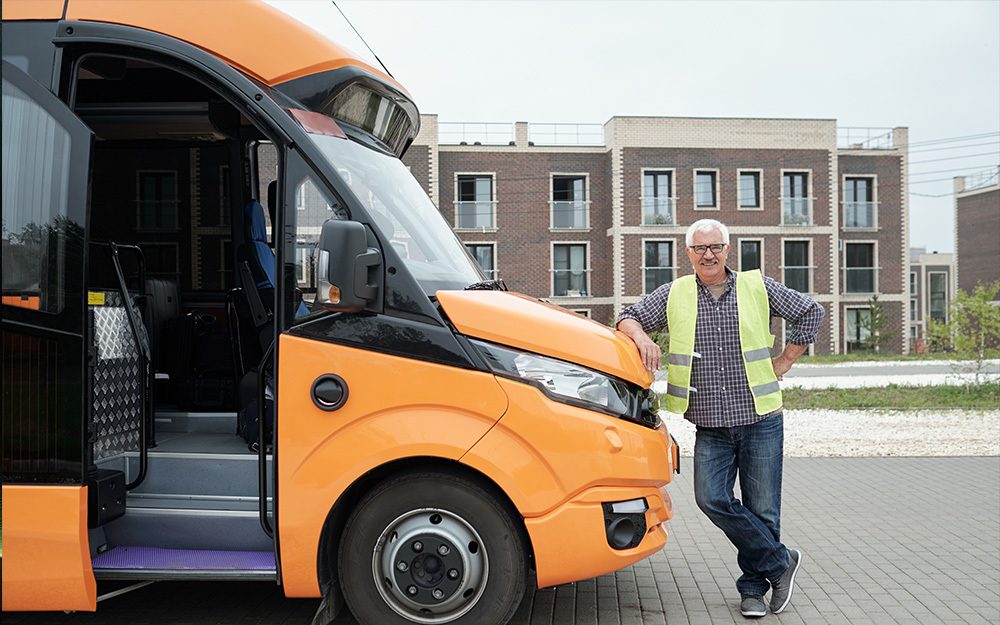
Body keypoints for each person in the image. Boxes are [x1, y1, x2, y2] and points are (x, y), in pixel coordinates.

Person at [616, 218, 824, 618]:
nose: (707, 255)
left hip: (761, 419)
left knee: (763, 510)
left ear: (728, 249)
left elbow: (810, 312)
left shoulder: (755, 286)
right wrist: (642, 338)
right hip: (710, 425)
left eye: (715, 247)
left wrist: (784, 361)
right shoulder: (674, 293)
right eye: (699, 248)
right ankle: (781, 563)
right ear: (689, 253)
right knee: (711, 499)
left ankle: (752, 590)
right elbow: (628, 316)